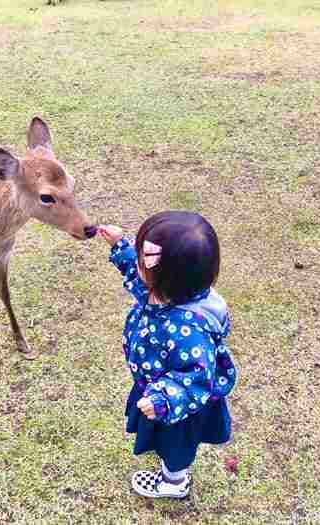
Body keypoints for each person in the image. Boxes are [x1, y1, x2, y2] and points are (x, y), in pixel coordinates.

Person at [98, 211, 237, 499]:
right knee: (164, 438)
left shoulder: (188, 328)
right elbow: (137, 279)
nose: (137, 264)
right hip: (155, 385)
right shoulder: (165, 290)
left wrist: (164, 397)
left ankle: (174, 482)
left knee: (175, 447)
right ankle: (171, 468)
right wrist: (119, 246)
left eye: (141, 259)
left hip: (180, 406)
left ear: (167, 278)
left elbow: (197, 378)